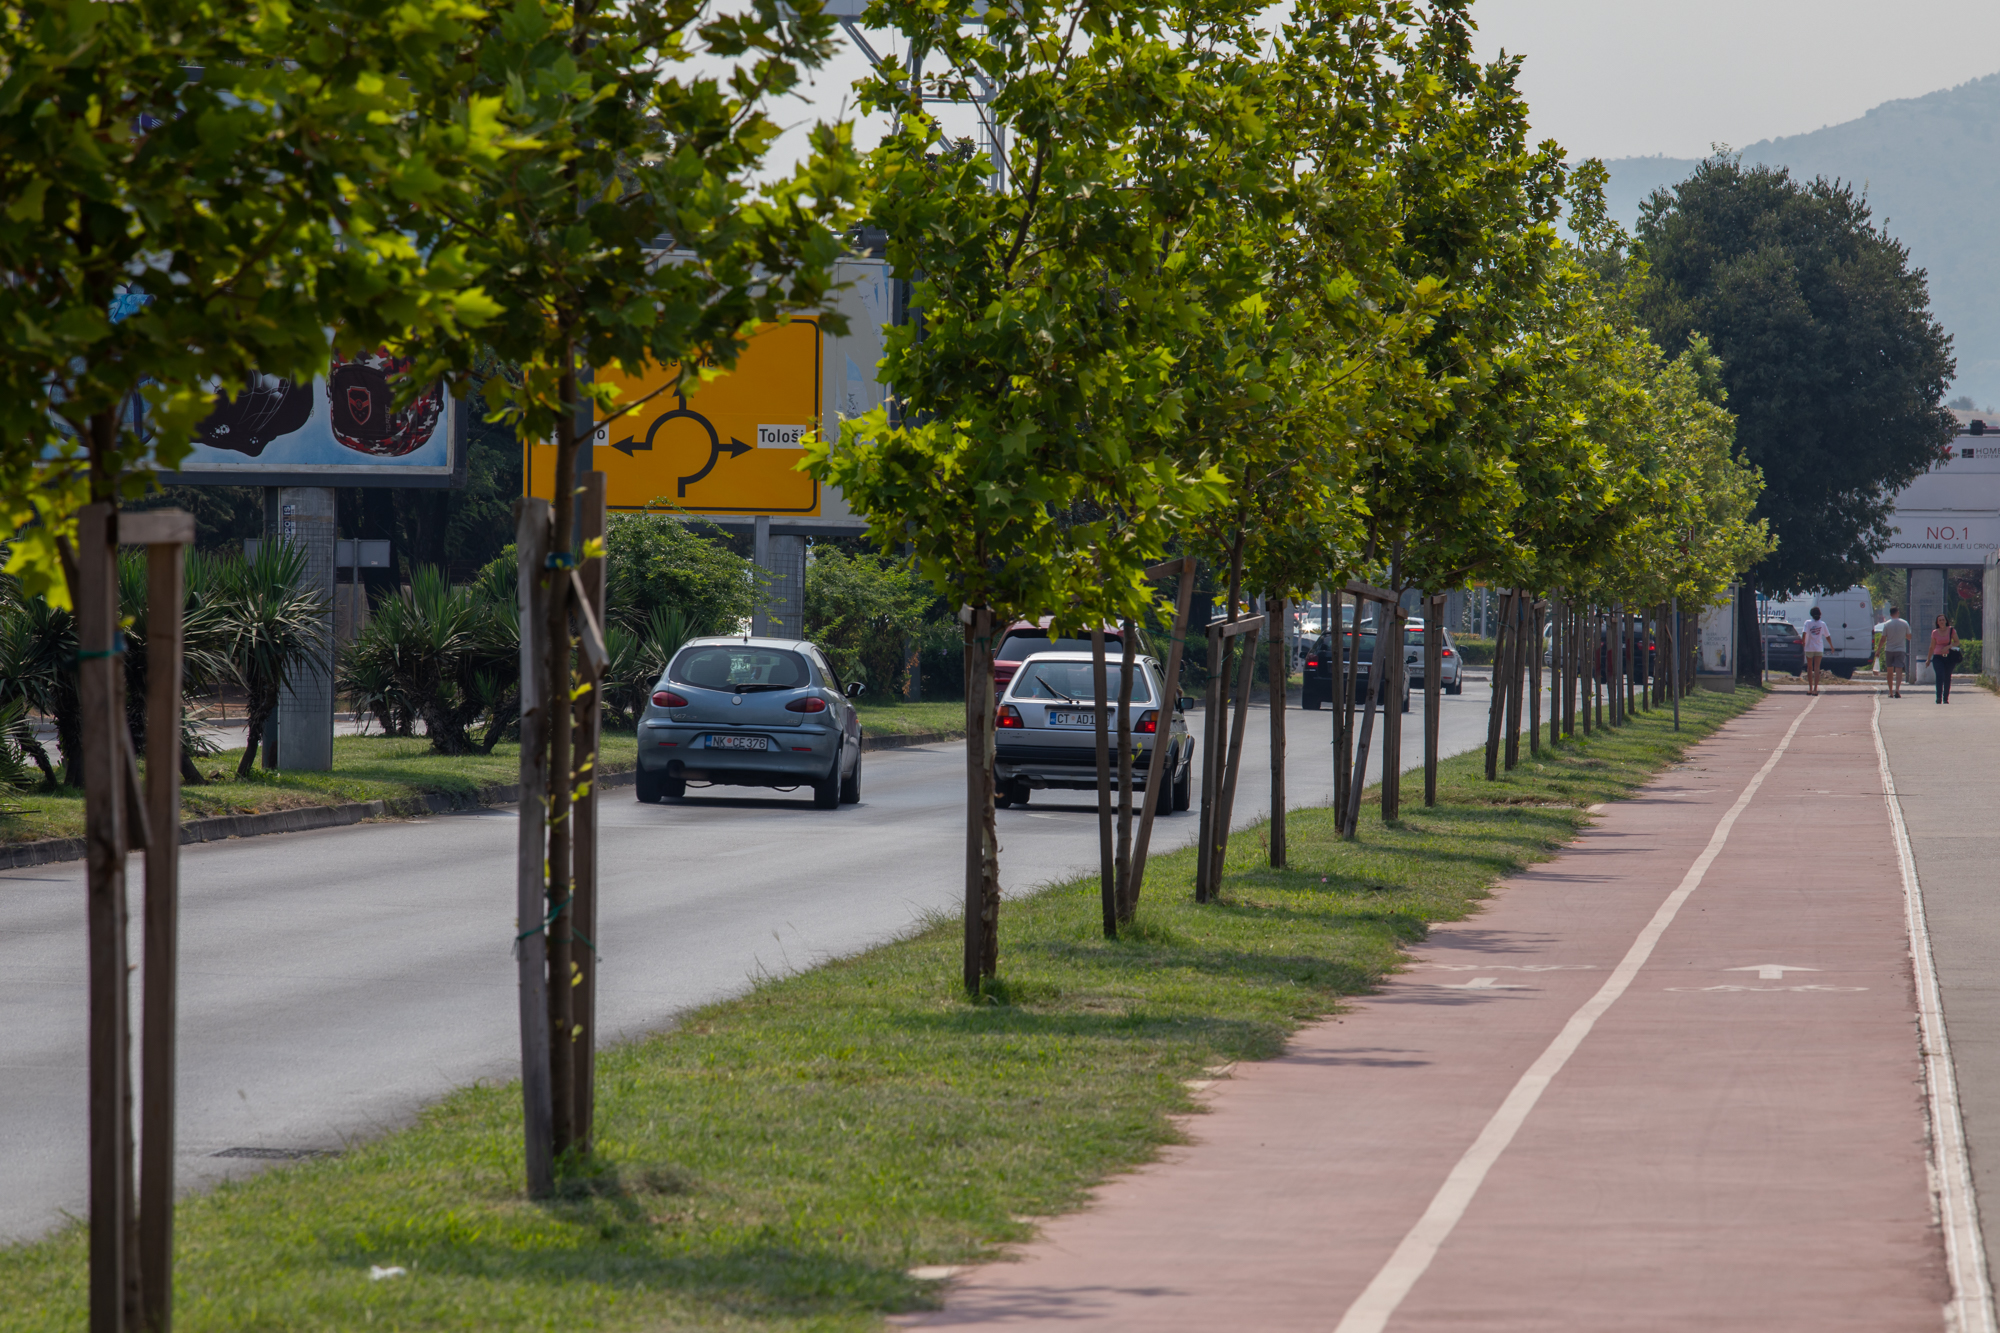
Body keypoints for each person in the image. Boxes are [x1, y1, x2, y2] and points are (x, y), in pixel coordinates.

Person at [1880, 606, 1911, 699]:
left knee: (1889, 672)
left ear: (1890, 614)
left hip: (1889, 649)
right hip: (1900, 649)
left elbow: (1883, 638)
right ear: (1898, 612)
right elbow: (1909, 637)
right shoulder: (1904, 623)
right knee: (1899, 670)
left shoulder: (1886, 624)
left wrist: (1878, 650)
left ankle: (1890, 691)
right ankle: (1897, 689)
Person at [1800, 606, 1832, 695]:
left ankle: (1810, 688)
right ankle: (1815, 689)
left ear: (1811, 614)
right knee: (1817, 668)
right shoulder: (1822, 624)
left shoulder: (1807, 623)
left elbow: (1804, 633)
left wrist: (1803, 644)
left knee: (1809, 668)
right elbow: (1827, 636)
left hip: (1809, 647)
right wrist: (1831, 646)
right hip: (1818, 648)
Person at [1930, 614, 1960, 704]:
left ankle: (1945, 698)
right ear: (1937, 622)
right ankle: (1938, 697)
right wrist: (1928, 659)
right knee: (1939, 676)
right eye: (1940, 620)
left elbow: (1957, 642)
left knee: (1947, 677)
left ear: (1946, 621)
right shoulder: (1935, 632)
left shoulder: (1951, 630)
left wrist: (1948, 646)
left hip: (1949, 658)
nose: (1942, 622)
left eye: (1943, 620)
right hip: (1938, 657)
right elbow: (1932, 646)